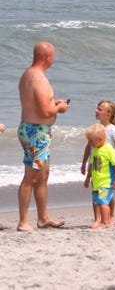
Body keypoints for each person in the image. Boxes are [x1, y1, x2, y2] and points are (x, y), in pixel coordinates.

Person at [17, 41, 70, 231]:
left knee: (43, 175)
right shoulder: (38, 78)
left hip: (37, 130)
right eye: (53, 55)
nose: (54, 58)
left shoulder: (29, 75)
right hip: (35, 132)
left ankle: (43, 217)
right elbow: (46, 111)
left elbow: (39, 104)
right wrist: (59, 107)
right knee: (31, 176)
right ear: (47, 57)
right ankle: (23, 221)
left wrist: (52, 103)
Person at [81, 100, 115, 225]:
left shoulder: (112, 129)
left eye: (100, 109)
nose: (96, 111)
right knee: (95, 191)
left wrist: (112, 158)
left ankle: (111, 215)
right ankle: (97, 219)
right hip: (94, 165)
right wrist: (84, 163)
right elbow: (88, 147)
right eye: (97, 108)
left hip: (107, 166)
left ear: (108, 113)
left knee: (106, 192)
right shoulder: (96, 129)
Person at [83, 123, 115, 229]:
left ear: (100, 139)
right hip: (96, 182)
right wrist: (87, 178)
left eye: (91, 140)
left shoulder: (109, 149)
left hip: (106, 182)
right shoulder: (95, 150)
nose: (89, 143)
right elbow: (91, 165)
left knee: (103, 201)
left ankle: (105, 221)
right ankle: (101, 220)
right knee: (97, 201)